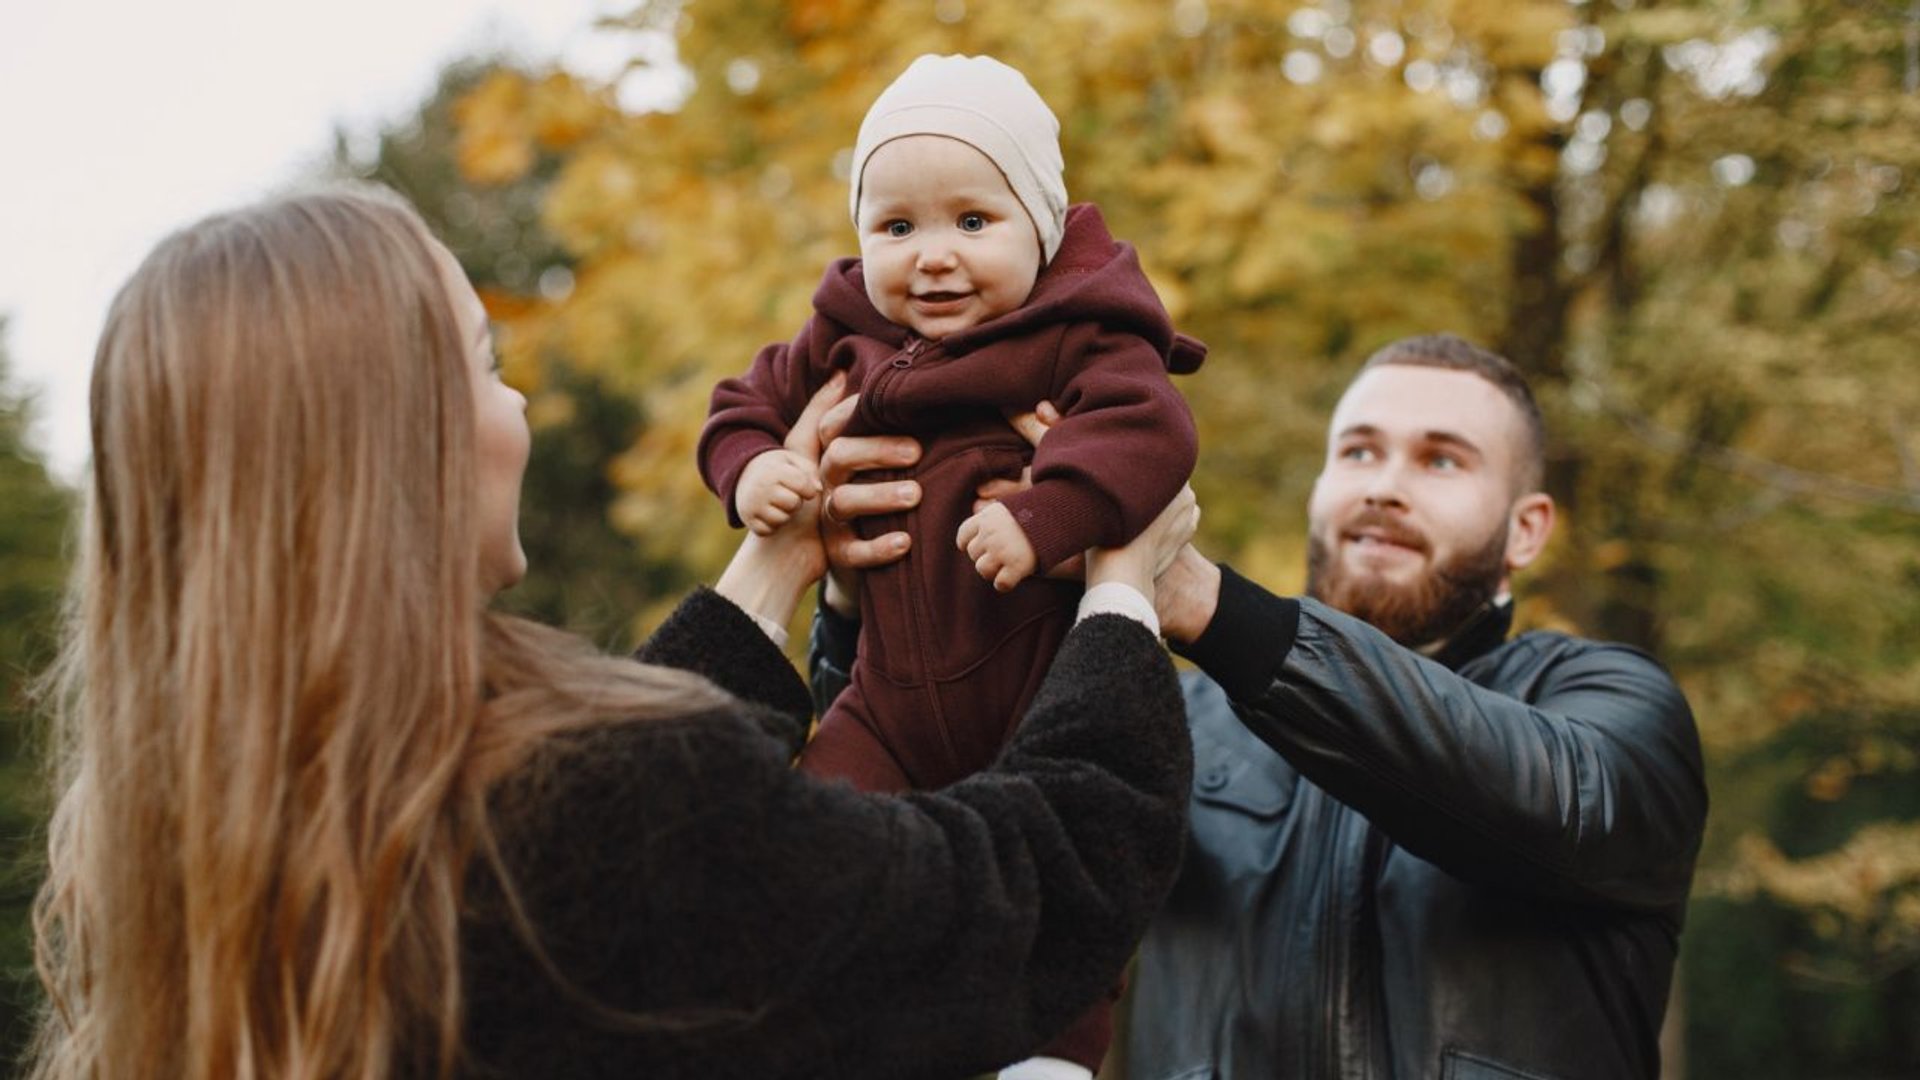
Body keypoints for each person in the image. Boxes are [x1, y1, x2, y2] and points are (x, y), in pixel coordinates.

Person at [26, 186, 1202, 1080]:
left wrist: (783, 552)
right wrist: (1119, 590)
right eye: (486, 366)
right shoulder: (594, 824)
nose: (521, 407)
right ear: (401, 445)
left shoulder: (187, 838)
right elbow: (1007, 901)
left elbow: (618, 805)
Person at [814, 334, 1709, 1079]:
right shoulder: (1176, 723)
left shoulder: (1613, 704)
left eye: (1442, 459)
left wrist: (1199, 601)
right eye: (1358, 451)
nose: (1383, 485)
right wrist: (871, 601)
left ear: (1528, 529)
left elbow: (1550, 800)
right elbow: (937, 842)